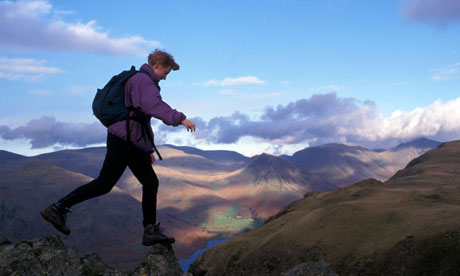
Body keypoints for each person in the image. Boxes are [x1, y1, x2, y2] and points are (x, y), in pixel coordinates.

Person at [41, 49, 196, 246]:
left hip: (130, 140)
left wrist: (147, 149)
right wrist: (180, 119)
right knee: (105, 183)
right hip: (123, 140)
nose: (165, 78)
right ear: (157, 65)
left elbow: (140, 120)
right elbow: (153, 106)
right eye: (165, 72)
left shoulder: (142, 81)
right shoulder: (142, 81)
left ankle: (150, 230)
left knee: (150, 182)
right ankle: (58, 208)